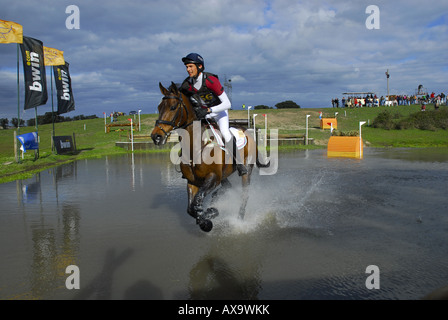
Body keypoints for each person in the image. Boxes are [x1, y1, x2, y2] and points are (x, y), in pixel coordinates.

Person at [179, 53, 247, 176]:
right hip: (204, 115)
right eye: (186, 67)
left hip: (219, 112)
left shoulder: (211, 81)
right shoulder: (187, 84)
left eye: (190, 66)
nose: (188, 69)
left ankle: (239, 163)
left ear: (199, 66)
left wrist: (209, 110)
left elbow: (227, 104)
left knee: (225, 133)